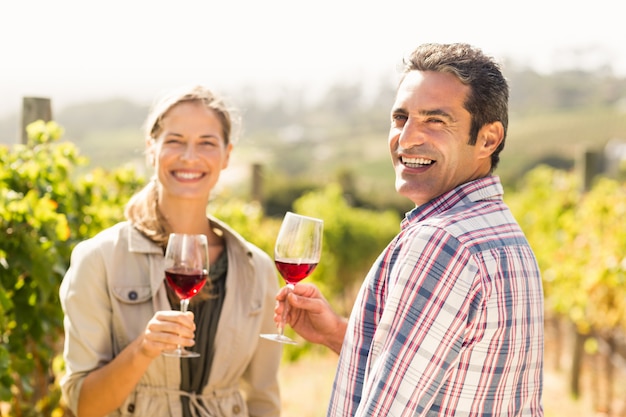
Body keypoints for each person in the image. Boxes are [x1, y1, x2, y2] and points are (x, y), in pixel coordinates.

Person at [275, 43, 544, 416]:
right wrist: (341, 334)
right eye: (401, 118)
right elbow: (458, 380)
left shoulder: (441, 242)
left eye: (435, 120)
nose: (407, 138)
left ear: (488, 139)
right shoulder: (501, 236)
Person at [59, 85, 282, 417]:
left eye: (206, 143)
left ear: (226, 155)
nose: (189, 157)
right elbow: (85, 406)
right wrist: (143, 350)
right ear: (152, 149)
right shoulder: (99, 259)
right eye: (175, 141)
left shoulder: (257, 268)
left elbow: (263, 399)